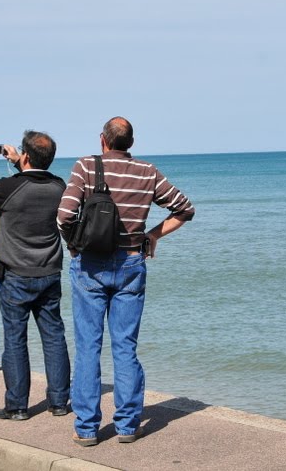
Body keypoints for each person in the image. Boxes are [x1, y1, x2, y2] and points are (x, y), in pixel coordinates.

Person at [57, 117, 195, 446]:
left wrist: (75, 246)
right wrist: (152, 236)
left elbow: (63, 216)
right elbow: (184, 209)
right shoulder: (147, 171)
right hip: (132, 261)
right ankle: (128, 425)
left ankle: (87, 428)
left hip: (90, 264)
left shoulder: (86, 167)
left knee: (88, 347)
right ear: (130, 143)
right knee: (125, 347)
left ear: (103, 140)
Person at [0, 131, 71, 421]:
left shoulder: (9, 188)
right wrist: (18, 163)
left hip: (15, 274)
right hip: (49, 271)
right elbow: (32, 180)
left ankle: (17, 406)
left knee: (15, 339)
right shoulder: (58, 186)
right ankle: (59, 402)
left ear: (25, 156)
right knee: (54, 337)